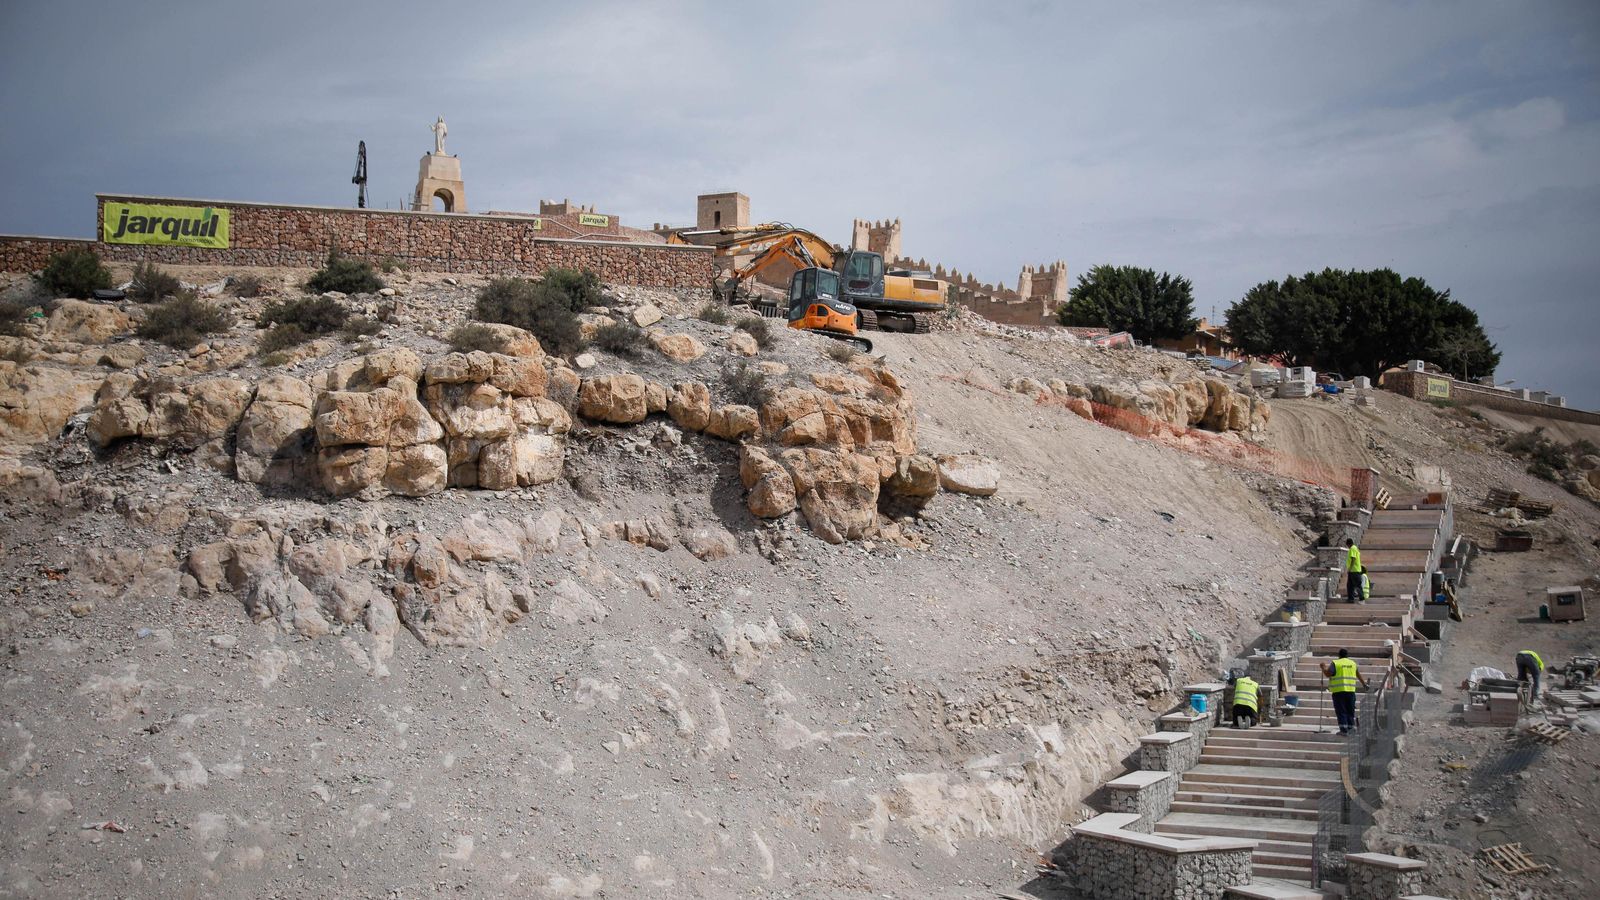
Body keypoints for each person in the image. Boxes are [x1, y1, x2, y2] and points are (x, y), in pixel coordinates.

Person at [1323, 648, 1370, 735]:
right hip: (1350, 691)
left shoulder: (1336, 663)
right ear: (1347, 655)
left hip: (1339, 691)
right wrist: (1364, 684)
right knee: (1350, 710)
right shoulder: (1352, 663)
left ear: (1339, 655)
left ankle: (1344, 730)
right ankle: (1351, 729)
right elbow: (1357, 674)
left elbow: (1328, 674)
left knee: (1341, 710)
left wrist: (1323, 668)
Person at [1344, 538, 1366, 603]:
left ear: (1348, 544)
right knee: (1350, 585)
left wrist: (1350, 568)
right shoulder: (1355, 548)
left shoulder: (1352, 548)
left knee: (1358, 585)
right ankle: (1350, 599)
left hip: (1354, 571)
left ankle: (1362, 599)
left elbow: (1353, 559)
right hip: (1353, 571)